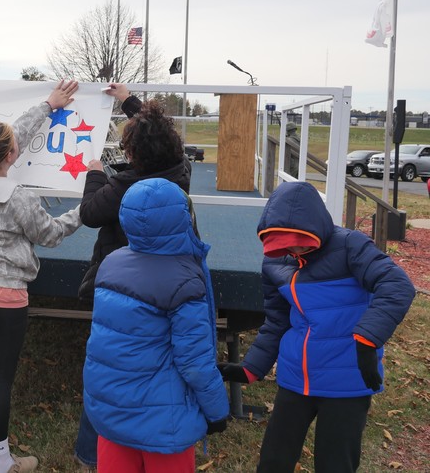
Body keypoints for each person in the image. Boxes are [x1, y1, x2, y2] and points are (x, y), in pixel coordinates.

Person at [218, 181, 415, 473]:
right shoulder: (275, 263)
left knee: (335, 464)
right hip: (295, 378)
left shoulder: (351, 246)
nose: (293, 248)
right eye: (283, 242)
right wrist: (252, 367)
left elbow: (397, 285)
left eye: (298, 239)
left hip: (346, 380)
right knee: (273, 461)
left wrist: (367, 339)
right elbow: (277, 321)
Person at [0, 79, 83, 473]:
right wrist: (85, 208)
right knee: (1, 380)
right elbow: (51, 234)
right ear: (11, 155)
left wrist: (47, 106)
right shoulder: (20, 197)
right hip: (4, 298)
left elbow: (10, 140)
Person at [74, 83, 195, 470]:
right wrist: (128, 101)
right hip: (169, 282)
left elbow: (92, 212)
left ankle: (91, 451)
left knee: (111, 366)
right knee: (163, 362)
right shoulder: (181, 172)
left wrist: (94, 174)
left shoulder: (125, 186)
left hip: (123, 285)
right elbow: (155, 137)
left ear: (132, 153)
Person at [83, 178, 229, 473]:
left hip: (111, 413)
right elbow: (195, 362)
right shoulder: (184, 280)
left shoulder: (110, 264)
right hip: (165, 425)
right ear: (182, 218)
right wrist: (217, 411)